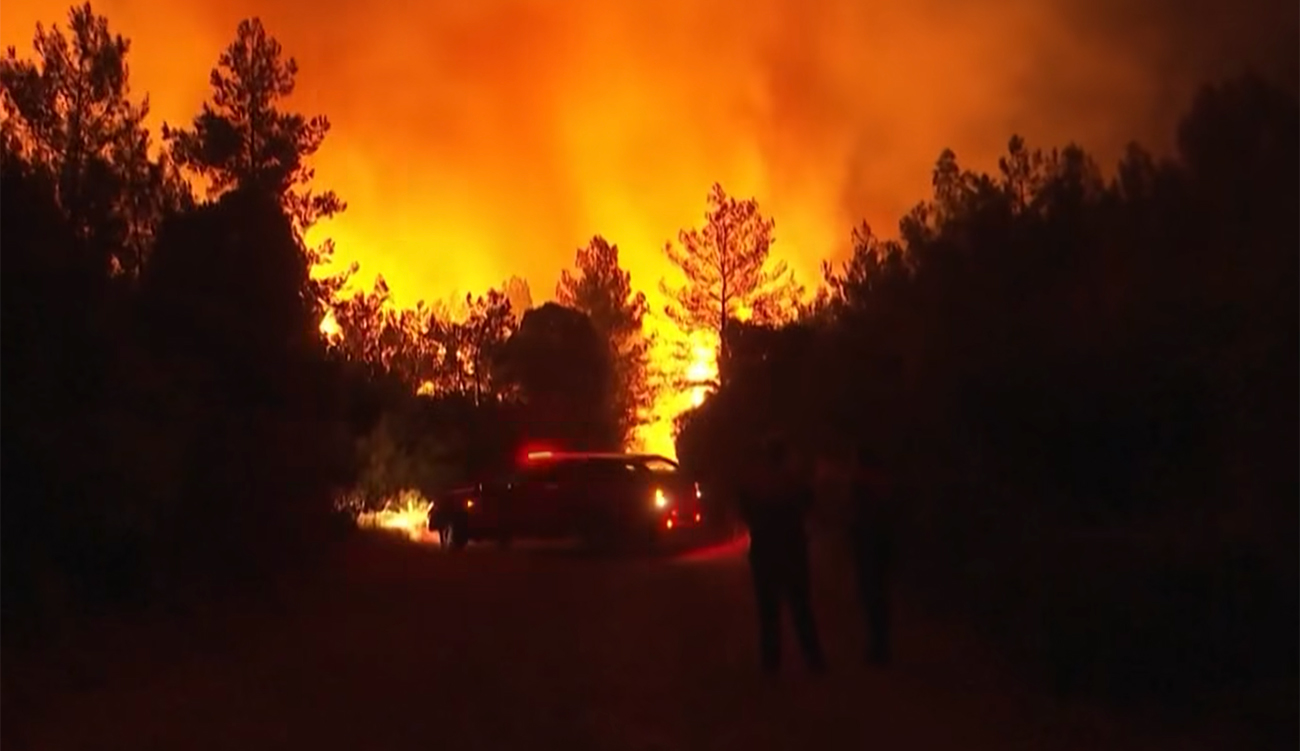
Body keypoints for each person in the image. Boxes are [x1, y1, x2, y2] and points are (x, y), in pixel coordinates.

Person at [737, 436, 825, 674]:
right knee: (801, 607)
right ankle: (814, 661)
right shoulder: (792, 479)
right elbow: (809, 500)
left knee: (768, 611)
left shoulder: (757, 480)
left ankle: (771, 664)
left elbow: (743, 505)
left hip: (765, 550)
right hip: (792, 548)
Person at [847, 444, 896, 666]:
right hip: (882, 544)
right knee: (879, 596)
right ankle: (881, 646)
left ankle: (878, 649)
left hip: (869, 545)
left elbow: (855, 515)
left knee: (871, 596)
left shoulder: (862, 485)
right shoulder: (884, 483)